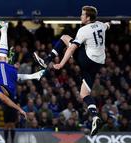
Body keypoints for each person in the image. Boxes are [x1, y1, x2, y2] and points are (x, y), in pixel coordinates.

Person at [33, 6, 110, 136]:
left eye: (82, 14)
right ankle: (96, 117)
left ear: (88, 18)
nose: (81, 16)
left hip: (87, 60)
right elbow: (108, 25)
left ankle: (46, 60)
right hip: (98, 63)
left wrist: (60, 64)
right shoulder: (101, 25)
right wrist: (109, 24)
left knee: (64, 37)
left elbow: (71, 49)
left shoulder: (83, 30)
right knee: (84, 94)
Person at [0, 28, 44, 143]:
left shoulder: (4, 61)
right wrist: (5, 65)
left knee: (13, 75)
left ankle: (34, 76)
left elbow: (12, 75)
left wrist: (9, 66)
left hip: (3, 89)